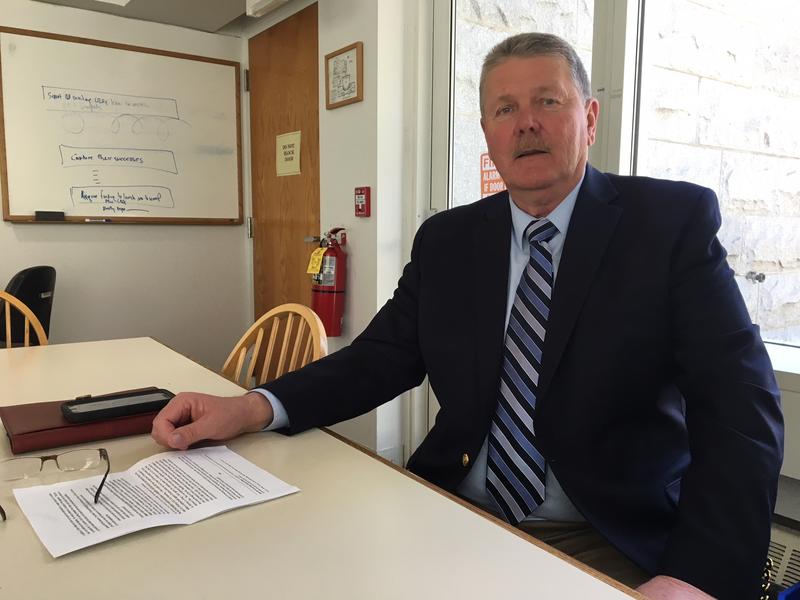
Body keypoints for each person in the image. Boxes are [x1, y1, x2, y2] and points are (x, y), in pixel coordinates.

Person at [152, 32, 783, 599]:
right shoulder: (449, 240)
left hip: (604, 537)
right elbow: (379, 360)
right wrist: (253, 406)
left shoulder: (668, 225)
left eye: (548, 102)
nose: (526, 124)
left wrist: (696, 577)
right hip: (449, 509)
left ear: (589, 117)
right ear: (487, 131)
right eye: (505, 110)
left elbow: (740, 407)